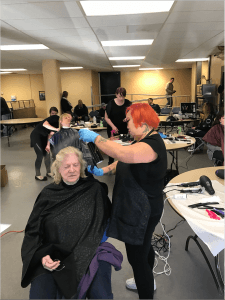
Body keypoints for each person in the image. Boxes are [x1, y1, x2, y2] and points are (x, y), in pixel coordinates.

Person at [79, 103, 167, 299]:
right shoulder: (142, 140)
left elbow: (123, 154)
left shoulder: (152, 145)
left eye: (130, 121)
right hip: (138, 208)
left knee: (137, 258)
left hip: (142, 211)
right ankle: (146, 281)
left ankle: (145, 288)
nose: (126, 124)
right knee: (144, 247)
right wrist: (104, 171)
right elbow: (123, 162)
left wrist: (95, 137)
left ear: (143, 123)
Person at [21, 147, 122, 299]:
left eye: (75, 165)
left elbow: (108, 218)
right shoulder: (48, 194)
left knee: (102, 295)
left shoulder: (94, 190)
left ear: (81, 167)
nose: (72, 170)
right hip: (53, 253)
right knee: (40, 295)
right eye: (66, 166)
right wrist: (41, 256)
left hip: (89, 250)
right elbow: (32, 231)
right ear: (58, 169)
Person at [105, 87, 132, 164]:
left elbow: (132, 114)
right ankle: (111, 163)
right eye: (120, 96)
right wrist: (113, 126)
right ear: (116, 94)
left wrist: (128, 117)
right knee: (112, 146)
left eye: (123, 96)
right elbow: (106, 118)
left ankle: (124, 163)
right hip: (112, 128)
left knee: (124, 145)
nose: (121, 98)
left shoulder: (128, 103)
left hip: (124, 127)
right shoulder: (110, 104)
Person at [30, 109, 59, 181]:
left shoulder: (57, 122)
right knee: (40, 155)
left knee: (47, 154)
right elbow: (45, 124)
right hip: (36, 137)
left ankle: (48, 172)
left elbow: (50, 135)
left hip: (44, 137)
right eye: (52, 113)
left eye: (55, 113)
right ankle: (37, 175)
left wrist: (48, 145)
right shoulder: (53, 118)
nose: (54, 114)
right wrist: (56, 129)